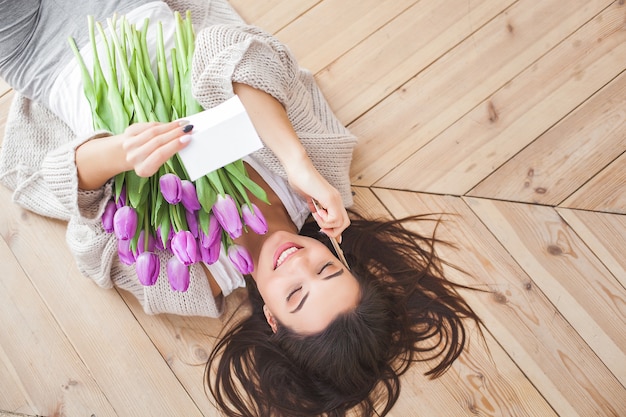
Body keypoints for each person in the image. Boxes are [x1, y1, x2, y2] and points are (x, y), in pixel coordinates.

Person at [0, 0, 482, 416]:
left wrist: (115, 156)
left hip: (39, 56)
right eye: (330, 272)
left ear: (272, 319)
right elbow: (245, 52)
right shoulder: (320, 176)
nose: (302, 265)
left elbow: (88, 242)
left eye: (296, 295)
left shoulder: (193, 279)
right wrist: (295, 160)